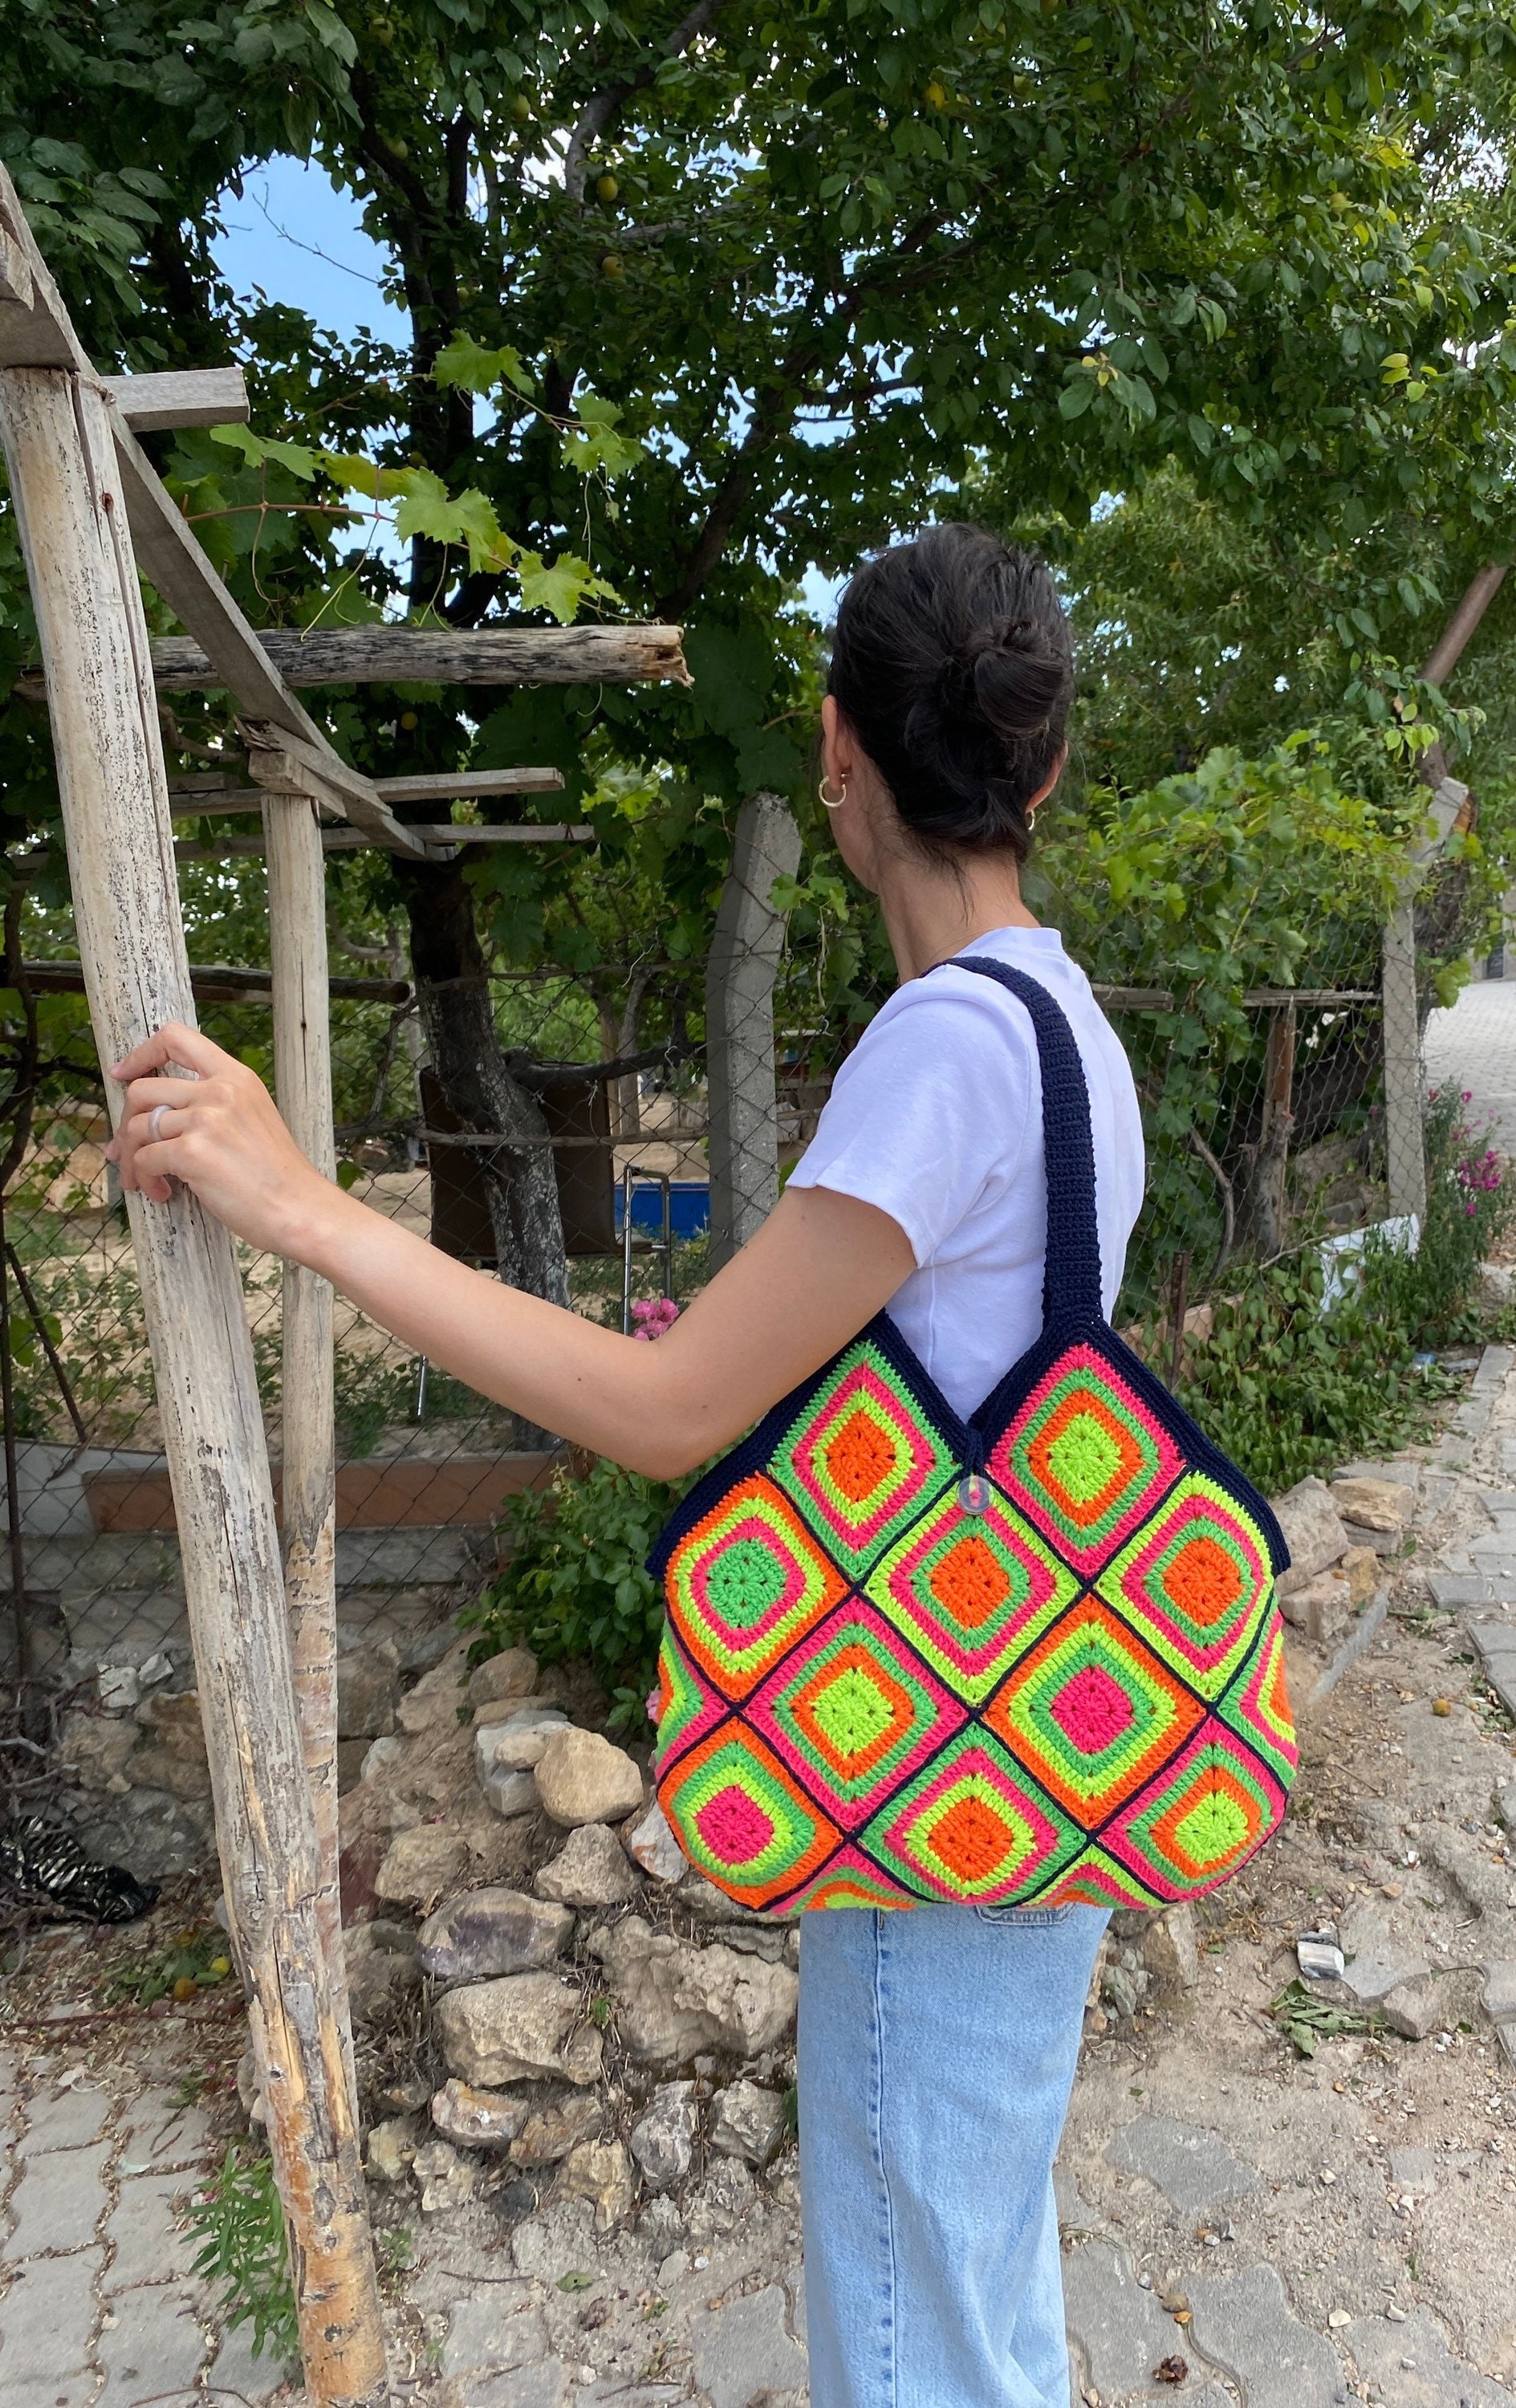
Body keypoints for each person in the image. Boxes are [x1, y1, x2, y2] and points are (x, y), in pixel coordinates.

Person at [108, 521, 1147, 2408]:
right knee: (974, 2270)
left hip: (945, 1787)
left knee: (917, 2329)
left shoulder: (948, 1046)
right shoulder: (1067, 1029)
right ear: (1045, 765)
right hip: (1035, 1740)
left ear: (834, 748)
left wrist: (306, 1212)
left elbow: (664, 1411)